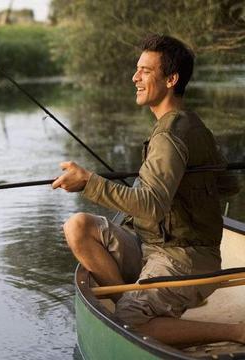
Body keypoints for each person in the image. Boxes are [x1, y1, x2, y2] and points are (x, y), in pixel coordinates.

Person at [51, 34, 242, 347]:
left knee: (126, 323)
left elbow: (151, 205)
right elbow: (227, 185)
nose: (134, 77)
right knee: (78, 226)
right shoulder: (191, 123)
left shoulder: (169, 136)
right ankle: (134, 295)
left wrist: (89, 182)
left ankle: (235, 332)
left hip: (184, 257)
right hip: (152, 245)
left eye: (145, 71)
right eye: (137, 69)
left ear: (171, 79)